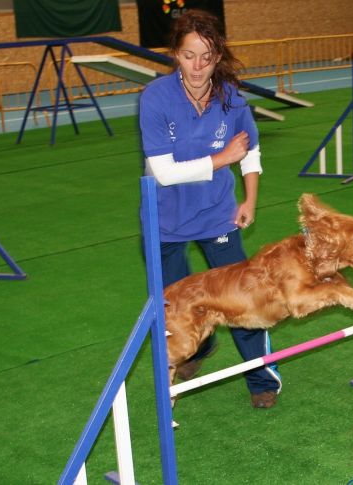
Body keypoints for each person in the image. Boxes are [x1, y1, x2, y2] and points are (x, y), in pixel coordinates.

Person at [138, 9, 282, 409]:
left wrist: (249, 199)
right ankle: (199, 349)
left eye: (206, 57)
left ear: (218, 56)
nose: (197, 66)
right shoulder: (156, 98)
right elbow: (164, 173)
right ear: (175, 55)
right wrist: (222, 159)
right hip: (164, 221)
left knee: (243, 302)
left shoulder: (232, 97)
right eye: (188, 56)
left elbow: (249, 151)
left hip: (218, 214)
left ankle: (260, 379)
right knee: (174, 305)